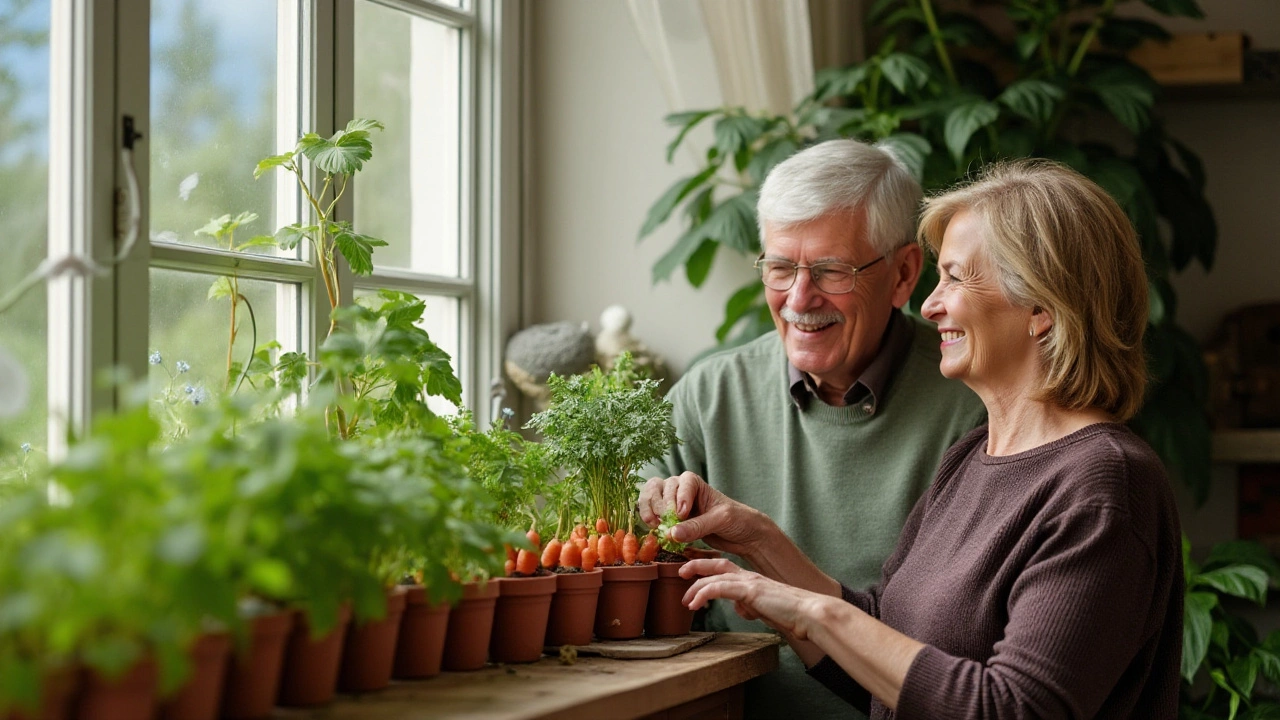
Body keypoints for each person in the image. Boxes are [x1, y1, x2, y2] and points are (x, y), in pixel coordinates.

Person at [645, 159, 1184, 718]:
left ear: (1042, 309)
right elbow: (885, 659)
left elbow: (1014, 709)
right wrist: (757, 540)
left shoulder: (1105, 487)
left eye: (956, 277)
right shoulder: (973, 458)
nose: (929, 304)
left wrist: (814, 613)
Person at [641, 139, 986, 718]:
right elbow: (619, 555)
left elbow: (955, 651)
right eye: (780, 267)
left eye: (831, 270)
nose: (799, 298)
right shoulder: (709, 394)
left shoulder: (974, 401)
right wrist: (645, 505)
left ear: (904, 274)